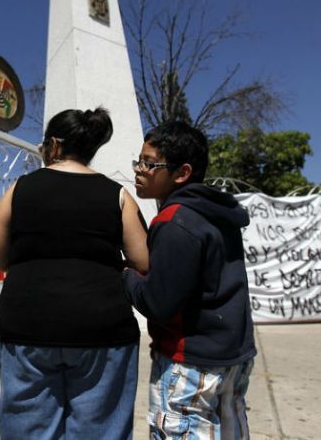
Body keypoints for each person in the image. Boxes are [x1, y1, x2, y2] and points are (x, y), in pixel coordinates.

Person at [0, 107, 149, 440]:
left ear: (55, 145)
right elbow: (143, 260)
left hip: (25, 327)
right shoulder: (117, 195)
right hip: (102, 330)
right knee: (101, 430)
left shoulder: (19, 189)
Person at [123, 121, 257, 439]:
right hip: (232, 358)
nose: (139, 169)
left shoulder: (174, 220)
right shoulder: (215, 215)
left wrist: (127, 277)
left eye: (149, 163)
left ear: (181, 173)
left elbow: (159, 302)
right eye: (138, 161)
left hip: (190, 364)